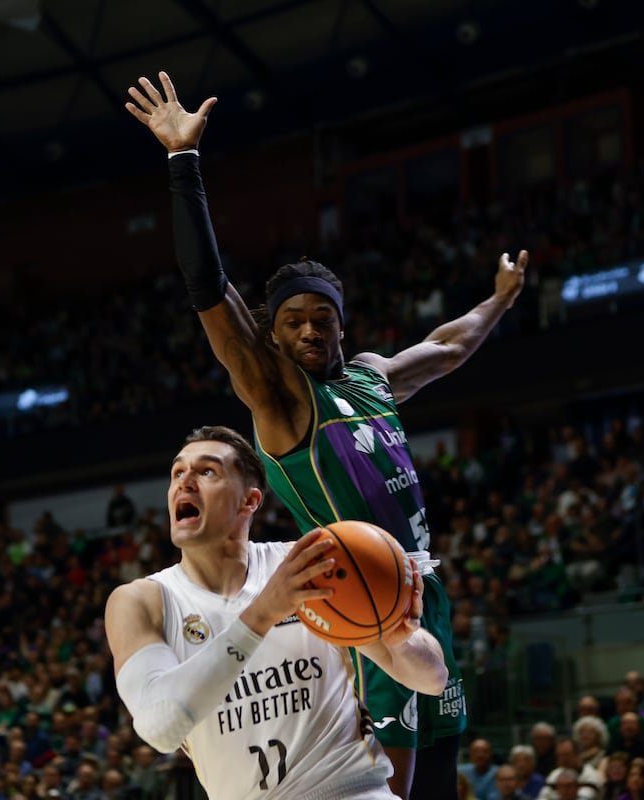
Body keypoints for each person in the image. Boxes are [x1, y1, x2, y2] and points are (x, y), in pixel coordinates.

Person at [125, 70, 530, 800]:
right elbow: (209, 290)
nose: (310, 329)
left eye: (323, 317)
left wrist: (498, 302)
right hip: (364, 606)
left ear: (343, 322)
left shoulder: (371, 377)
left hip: (423, 592)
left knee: (442, 781)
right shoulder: (282, 399)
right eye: (292, 321)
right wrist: (183, 163)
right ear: (273, 337)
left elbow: (449, 346)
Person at [105, 425, 448, 800]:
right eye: (177, 472)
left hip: (354, 790)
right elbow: (160, 728)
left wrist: (402, 641)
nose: (184, 482)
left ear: (249, 501)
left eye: (207, 471)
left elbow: (432, 679)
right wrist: (261, 614)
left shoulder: (305, 564)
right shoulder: (141, 601)